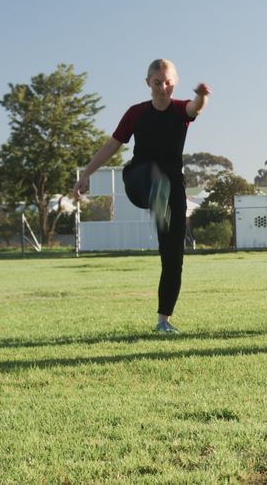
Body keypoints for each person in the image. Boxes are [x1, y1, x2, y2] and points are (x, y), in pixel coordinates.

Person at [74, 59, 211, 334]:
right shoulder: (136, 113)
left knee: (173, 256)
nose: (163, 87)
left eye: (168, 82)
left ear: (176, 82)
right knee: (152, 173)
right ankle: (155, 193)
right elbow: (113, 145)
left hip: (172, 189)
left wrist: (201, 96)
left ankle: (164, 321)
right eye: (158, 82)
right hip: (138, 180)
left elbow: (194, 108)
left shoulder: (180, 110)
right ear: (148, 83)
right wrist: (86, 174)